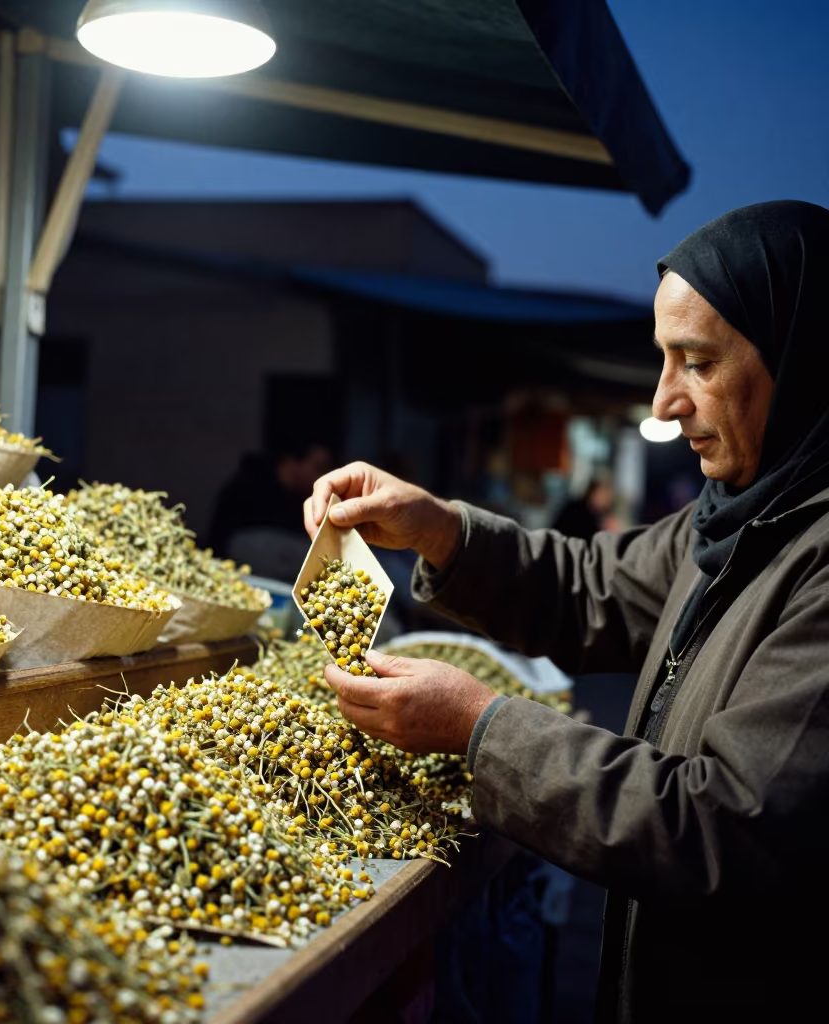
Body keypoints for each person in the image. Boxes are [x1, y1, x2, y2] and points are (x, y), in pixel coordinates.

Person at [303, 201, 829, 1023]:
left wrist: (482, 728)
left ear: (805, 361)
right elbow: (590, 586)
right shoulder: (734, 516)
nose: (663, 403)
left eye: (698, 363)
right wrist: (438, 528)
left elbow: (725, 830)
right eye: (663, 360)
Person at [209, 436, 334, 583]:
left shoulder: (298, 498)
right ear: (292, 461)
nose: (322, 477)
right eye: (318, 468)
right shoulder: (250, 487)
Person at [551, 476, 617, 540]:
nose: (603, 499)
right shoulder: (576, 509)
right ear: (592, 491)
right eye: (602, 494)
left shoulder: (598, 516)